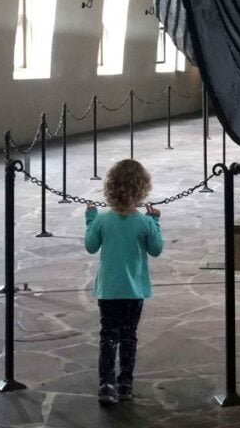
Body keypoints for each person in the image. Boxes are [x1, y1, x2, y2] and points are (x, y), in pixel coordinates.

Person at [84, 158, 164, 406]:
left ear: (110, 187)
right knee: (129, 335)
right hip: (134, 291)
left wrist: (90, 219)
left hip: (108, 291)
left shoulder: (102, 220)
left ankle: (106, 385)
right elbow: (156, 249)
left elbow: (90, 246)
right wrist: (156, 222)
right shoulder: (144, 222)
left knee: (108, 336)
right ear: (142, 189)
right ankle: (125, 383)